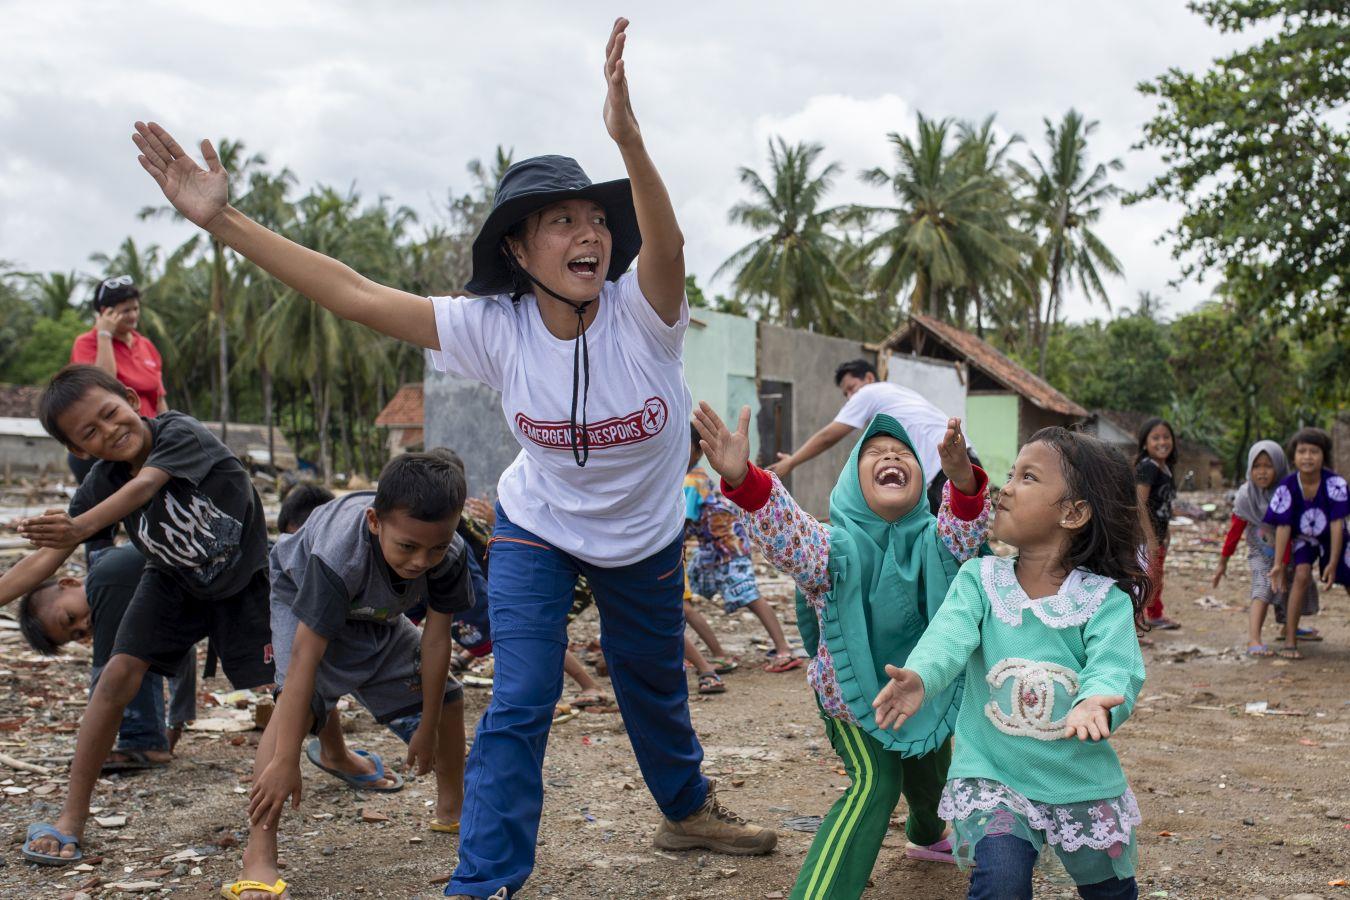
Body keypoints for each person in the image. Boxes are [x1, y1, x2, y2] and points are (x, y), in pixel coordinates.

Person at [130, 19, 773, 898]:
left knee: (652, 684)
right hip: (540, 529)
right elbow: (355, 294)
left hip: (647, 537)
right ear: (518, 248)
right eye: (561, 221)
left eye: (596, 219)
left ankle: (687, 810)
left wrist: (628, 138)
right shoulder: (493, 326)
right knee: (520, 699)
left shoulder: (641, 309)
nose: (589, 234)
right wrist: (225, 222)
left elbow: (668, 244)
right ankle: (484, 881)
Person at [694, 401, 993, 899]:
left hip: (923, 690)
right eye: (873, 452)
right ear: (853, 484)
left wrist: (963, 481)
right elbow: (786, 530)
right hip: (854, 706)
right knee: (876, 783)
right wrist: (745, 480)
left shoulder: (935, 541)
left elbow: (965, 533)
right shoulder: (832, 547)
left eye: (904, 453)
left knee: (931, 769)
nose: (890, 456)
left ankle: (925, 833)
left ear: (922, 480)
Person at [3, 365, 272, 868]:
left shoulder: (178, 432)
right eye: (90, 433)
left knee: (288, 687)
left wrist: (76, 527)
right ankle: (70, 819)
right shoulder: (101, 480)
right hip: (173, 580)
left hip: (246, 581)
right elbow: (45, 559)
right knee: (115, 676)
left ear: (131, 398)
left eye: (111, 414)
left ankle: (337, 750)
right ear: (79, 451)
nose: (109, 431)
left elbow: (146, 485)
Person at [873, 428, 1147, 899]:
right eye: (1011, 474)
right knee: (1000, 882)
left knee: (1111, 892)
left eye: (1029, 477)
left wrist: (1097, 702)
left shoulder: (1103, 601)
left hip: (1077, 778)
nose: (1007, 488)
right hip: (992, 772)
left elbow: (1114, 665)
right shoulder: (981, 579)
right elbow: (948, 637)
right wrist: (921, 676)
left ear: (1073, 512)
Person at [225, 453, 472, 899]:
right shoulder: (340, 555)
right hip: (303, 600)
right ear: (375, 522)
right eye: (408, 547)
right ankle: (258, 853)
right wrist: (286, 759)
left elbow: (436, 642)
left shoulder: (449, 553)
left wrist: (427, 727)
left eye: (436, 547)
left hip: (376, 612)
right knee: (291, 717)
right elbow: (304, 656)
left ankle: (453, 809)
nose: (422, 561)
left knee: (452, 700)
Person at [16, 544, 197, 771]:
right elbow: (184, 655)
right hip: (213, 581)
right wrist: (176, 725)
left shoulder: (105, 580)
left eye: (69, 617)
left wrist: (89, 757)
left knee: (123, 661)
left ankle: (141, 740)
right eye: (78, 634)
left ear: (69, 583)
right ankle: (146, 741)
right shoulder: (125, 587)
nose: (83, 625)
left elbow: (105, 684)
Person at [767, 358, 979, 513]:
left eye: (851, 388)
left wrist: (792, 462)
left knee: (950, 547)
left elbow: (828, 437)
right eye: (846, 394)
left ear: (869, 378)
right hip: (963, 461)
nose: (850, 397)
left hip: (945, 470)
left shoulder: (869, 392)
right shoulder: (895, 394)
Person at [67, 276, 169, 560]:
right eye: (124, 310)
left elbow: (158, 397)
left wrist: (168, 430)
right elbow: (101, 386)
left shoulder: (145, 345)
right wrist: (104, 336)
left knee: (152, 509)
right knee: (102, 516)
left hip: (144, 445)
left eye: (135, 308)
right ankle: (100, 570)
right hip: (106, 448)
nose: (132, 315)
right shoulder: (87, 343)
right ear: (104, 313)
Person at [684, 423, 798, 672]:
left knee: (748, 595)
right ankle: (688, 649)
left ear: (696, 452)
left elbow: (684, 521)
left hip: (727, 547)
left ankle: (784, 649)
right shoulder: (690, 477)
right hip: (710, 550)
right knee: (681, 596)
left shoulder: (692, 480)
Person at [1211, 441, 1319, 656]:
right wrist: (1223, 561)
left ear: (1279, 466)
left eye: (1268, 466)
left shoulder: (1290, 492)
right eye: (1257, 466)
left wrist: (1284, 562)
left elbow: (1293, 528)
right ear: (1250, 468)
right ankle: (1254, 639)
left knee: (1293, 588)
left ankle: (1290, 627)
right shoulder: (1246, 496)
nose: (1262, 472)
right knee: (1262, 588)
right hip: (1261, 554)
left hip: (1289, 553)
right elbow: (1235, 531)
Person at [1265, 427, 1350, 660]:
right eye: (1302, 451)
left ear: (1324, 456)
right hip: (1303, 538)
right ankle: (1290, 639)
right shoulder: (1288, 487)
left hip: (1335, 537)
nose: (1308, 456)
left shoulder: (1335, 484)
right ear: (1294, 457)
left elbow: (1336, 523)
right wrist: (1278, 564)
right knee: (1301, 575)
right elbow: (1283, 526)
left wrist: (1332, 562)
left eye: (1314, 451)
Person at [1133, 417, 1178, 630]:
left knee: (1156, 575)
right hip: (1143, 536)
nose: (1162, 442)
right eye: (1156, 438)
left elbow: (1163, 504)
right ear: (1145, 443)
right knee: (1144, 578)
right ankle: (1134, 622)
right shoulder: (1148, 467)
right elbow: (1140, 504)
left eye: (1166, 437)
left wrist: (1165, 532)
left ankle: (1155, 614)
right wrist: (1150, 537)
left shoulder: (1166, 468)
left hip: (1159, 534)